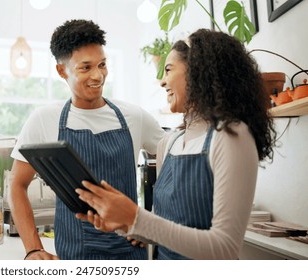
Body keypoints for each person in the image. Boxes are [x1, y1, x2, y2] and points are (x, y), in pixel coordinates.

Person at [75, 29, 277, 260]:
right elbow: (162, 230)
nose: (162, 81)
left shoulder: (230, 136)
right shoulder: (169, 143)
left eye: (169, 69)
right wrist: (123, 223)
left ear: (198, 72)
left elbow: (224, 248)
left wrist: (136, 218)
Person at [9, 19, 165, 260]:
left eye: (102, 64)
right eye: (85, 67)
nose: (98, 75)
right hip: (72, 257)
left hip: (130, 255)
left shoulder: (134, 116)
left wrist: (152, 223)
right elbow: (17, 185)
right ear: (62, 71)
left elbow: (177, 168)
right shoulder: (44, 119)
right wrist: (33, 248)